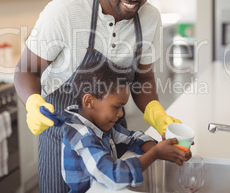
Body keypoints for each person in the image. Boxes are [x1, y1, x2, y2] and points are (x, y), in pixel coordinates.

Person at [14, 0, 182, 193]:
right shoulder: (64, 11)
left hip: (110, 132)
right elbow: (26, 69)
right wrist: (33, 102)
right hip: (61, 137)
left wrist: (157, 114)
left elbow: (143, 78)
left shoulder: (150, 19)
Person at [58, 61, 191, 192]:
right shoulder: (82, 136)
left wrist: (166, 149)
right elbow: (113, 176)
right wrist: (155, 153)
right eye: (117, 107)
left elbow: (133, 138)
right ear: (89, 101)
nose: (121, 113)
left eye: (122, 107)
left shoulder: (101, 126)